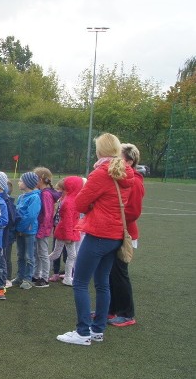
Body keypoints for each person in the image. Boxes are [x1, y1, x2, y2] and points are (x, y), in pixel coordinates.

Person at [56, 133, 133, 346]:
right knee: (102, 283)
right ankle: (97, 330)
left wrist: (93, 206)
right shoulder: (126, 172)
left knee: (80, 282)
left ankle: (83, 332)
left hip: (99, 233)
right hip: (115, 235)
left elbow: (80, 204)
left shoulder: (101, 174)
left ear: (100, 151)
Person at [107, 142, 144, 327]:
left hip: (124, 234)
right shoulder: (121, 178)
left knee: (119, 273)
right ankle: (112, 310)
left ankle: (126, 313)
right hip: (114, 231)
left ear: (129, 161)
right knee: (110, 273)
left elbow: (133, 212)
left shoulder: (135, 181)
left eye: (118, 157)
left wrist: (111, 215)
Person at [48, 176, 83, 286]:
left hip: (65, 231)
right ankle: (67, 277)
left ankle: (41, 268)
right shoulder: (70, 201)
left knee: (56, 253)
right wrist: (69, 235)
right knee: (71, 255)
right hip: (67, 232)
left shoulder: (68, 199)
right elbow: (68, 220)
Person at [32, 167, 59, 287]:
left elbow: (48, 214)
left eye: (35, 179)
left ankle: (44, 278)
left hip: (43, 228)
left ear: (41, 179)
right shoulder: (43, 193)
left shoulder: (46, 194)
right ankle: (36, 275)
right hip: (40, 227)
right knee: (37, 252)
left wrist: (43, 228)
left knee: (42, 253)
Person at [14, 172, 40, 290]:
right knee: (20, 255)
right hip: (20, 230)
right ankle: (20, 277)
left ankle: (28, 279)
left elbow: (31, 216)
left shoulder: (34, 197)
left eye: (21, 180)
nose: (19, 182)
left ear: (28, 183)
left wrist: (19, 227)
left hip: (28, 231)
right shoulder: (21, 197)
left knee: (29, 256)